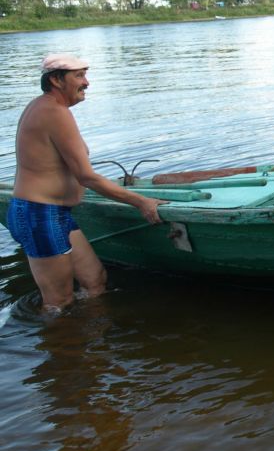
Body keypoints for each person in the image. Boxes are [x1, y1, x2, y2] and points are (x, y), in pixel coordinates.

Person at [7, 54, 165, 312]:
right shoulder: (53, 112)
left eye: (85, 74)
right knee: (58, 301)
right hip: (38, 214)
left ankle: (87, 341)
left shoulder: (47, 107)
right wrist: (141, 201)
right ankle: (59, 346)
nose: (87, 82)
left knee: (95, 282)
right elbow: (86, 176)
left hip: (56, 213)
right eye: (79, 76)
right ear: (56, 80)